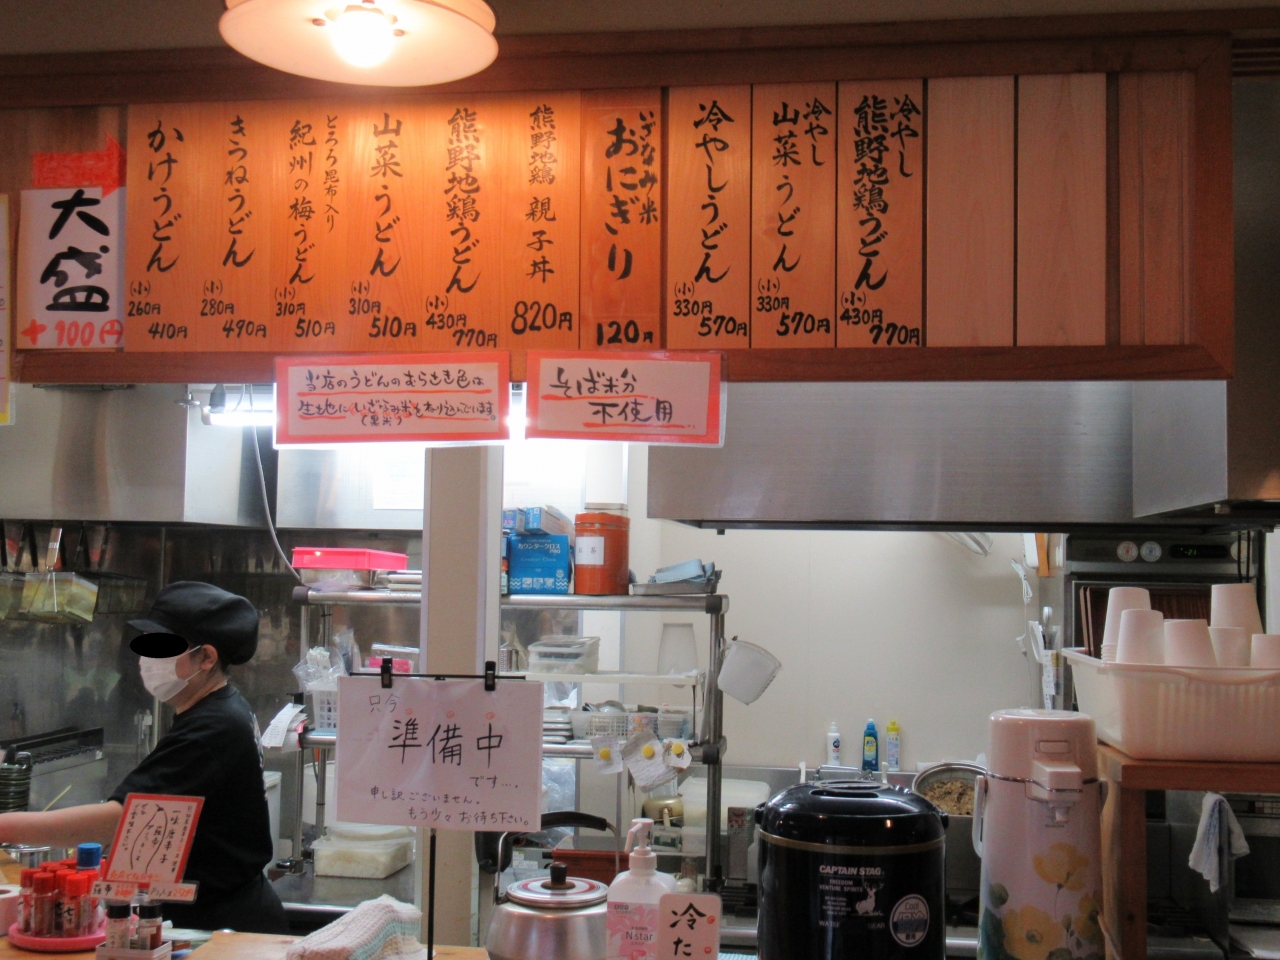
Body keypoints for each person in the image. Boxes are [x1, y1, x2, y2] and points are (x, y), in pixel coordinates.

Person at [0, 581, 289, 934]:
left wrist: (4, 826)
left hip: (224, 928)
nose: (148, 660)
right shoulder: (219, 708)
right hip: (216, 914)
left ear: (206, 658)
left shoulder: (213, 726)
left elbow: (120, 819)